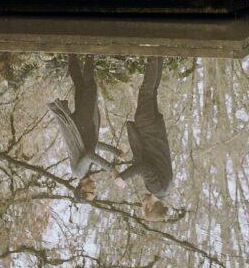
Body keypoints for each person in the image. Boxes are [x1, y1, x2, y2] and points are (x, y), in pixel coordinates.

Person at [48, 55, 124, 199]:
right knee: (80, 84)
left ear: (82, 189)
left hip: (84, 122)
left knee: (90, 87)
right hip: (84, 122)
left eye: (91, 192)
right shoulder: (85, 171)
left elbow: (90, 155)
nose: (95, 189)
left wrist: (111, 169)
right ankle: (72, 51)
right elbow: (92, 146)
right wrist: (115, 151)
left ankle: (89, 52)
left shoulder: (78, 172)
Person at [114, 56, 173, 221]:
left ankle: (159, 54)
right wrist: (122, 177)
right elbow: (143, 167)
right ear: (149, 207)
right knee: (147, 90)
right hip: (148, 129)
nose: (141, 202)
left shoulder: (166, 188)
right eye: (142, 206)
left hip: (155, 128)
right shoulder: (156, 188)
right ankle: (153, 52)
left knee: (152, 90)